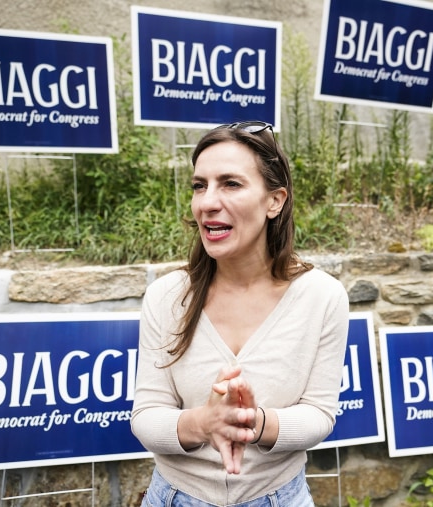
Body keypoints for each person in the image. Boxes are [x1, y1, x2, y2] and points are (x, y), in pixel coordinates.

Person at [131, 120, 350, 506]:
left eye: (230, 184)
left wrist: (252, 422)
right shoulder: (166, 296)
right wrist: (204, 423)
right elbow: (146, 415)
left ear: (274, 201)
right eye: (200, 185)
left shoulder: (323, 296)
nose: (207, 202)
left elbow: (319, 415)